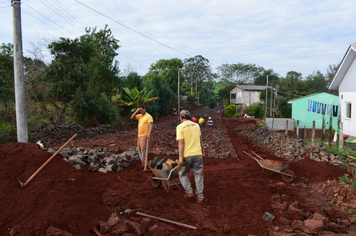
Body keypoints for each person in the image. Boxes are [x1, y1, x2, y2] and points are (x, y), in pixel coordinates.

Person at [176, 110, 205, 204]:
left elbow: (181, 142)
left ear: (181, 118)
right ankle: (200, 196)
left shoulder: (180, 127)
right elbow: (201, 141)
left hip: (187, 155)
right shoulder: (197, 126)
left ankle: (189, 191)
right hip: (198, 154)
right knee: (198, 175)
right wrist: (203, 153)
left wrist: (180, 157)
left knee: (183, 174)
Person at [131, 105, 153, 171]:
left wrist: (149, 134)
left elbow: (151, 125)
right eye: (139, 111)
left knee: (143, 148)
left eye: (141, 110)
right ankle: (143, 163)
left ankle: (145, 163)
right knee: (139, 149)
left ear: (144, 109)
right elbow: (132, 117)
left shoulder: (148, 116)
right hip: (139, 135)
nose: (140, 112)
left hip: (145, 135)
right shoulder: (140, 116)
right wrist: (136, 111)